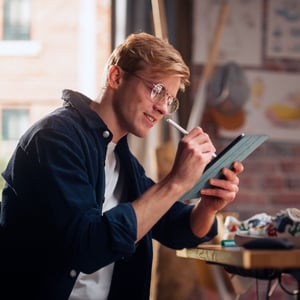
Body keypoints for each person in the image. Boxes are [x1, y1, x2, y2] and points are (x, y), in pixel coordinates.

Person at [0, 32, 243, 300]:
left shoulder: (121, 160)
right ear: (116, 77)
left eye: (169, 100)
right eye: (156, 90)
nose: (163, 108)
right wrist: (175, 182)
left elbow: (176, 229)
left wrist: (208, 204)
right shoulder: (55, 138)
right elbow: (87, 246)